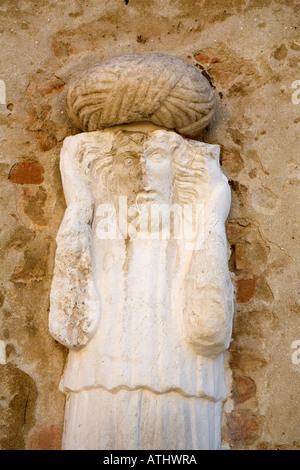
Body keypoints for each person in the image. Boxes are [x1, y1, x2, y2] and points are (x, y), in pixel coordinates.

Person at [49, 127, 234, 450]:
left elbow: (210, 328)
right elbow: (68, 329)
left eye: (157, 157)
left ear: (178, 170)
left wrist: (213, 218)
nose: (143, 174)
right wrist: (78, 205)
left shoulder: (192, 232)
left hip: (186, 382)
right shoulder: (100, 236)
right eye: (128, 159)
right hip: (99, 381)